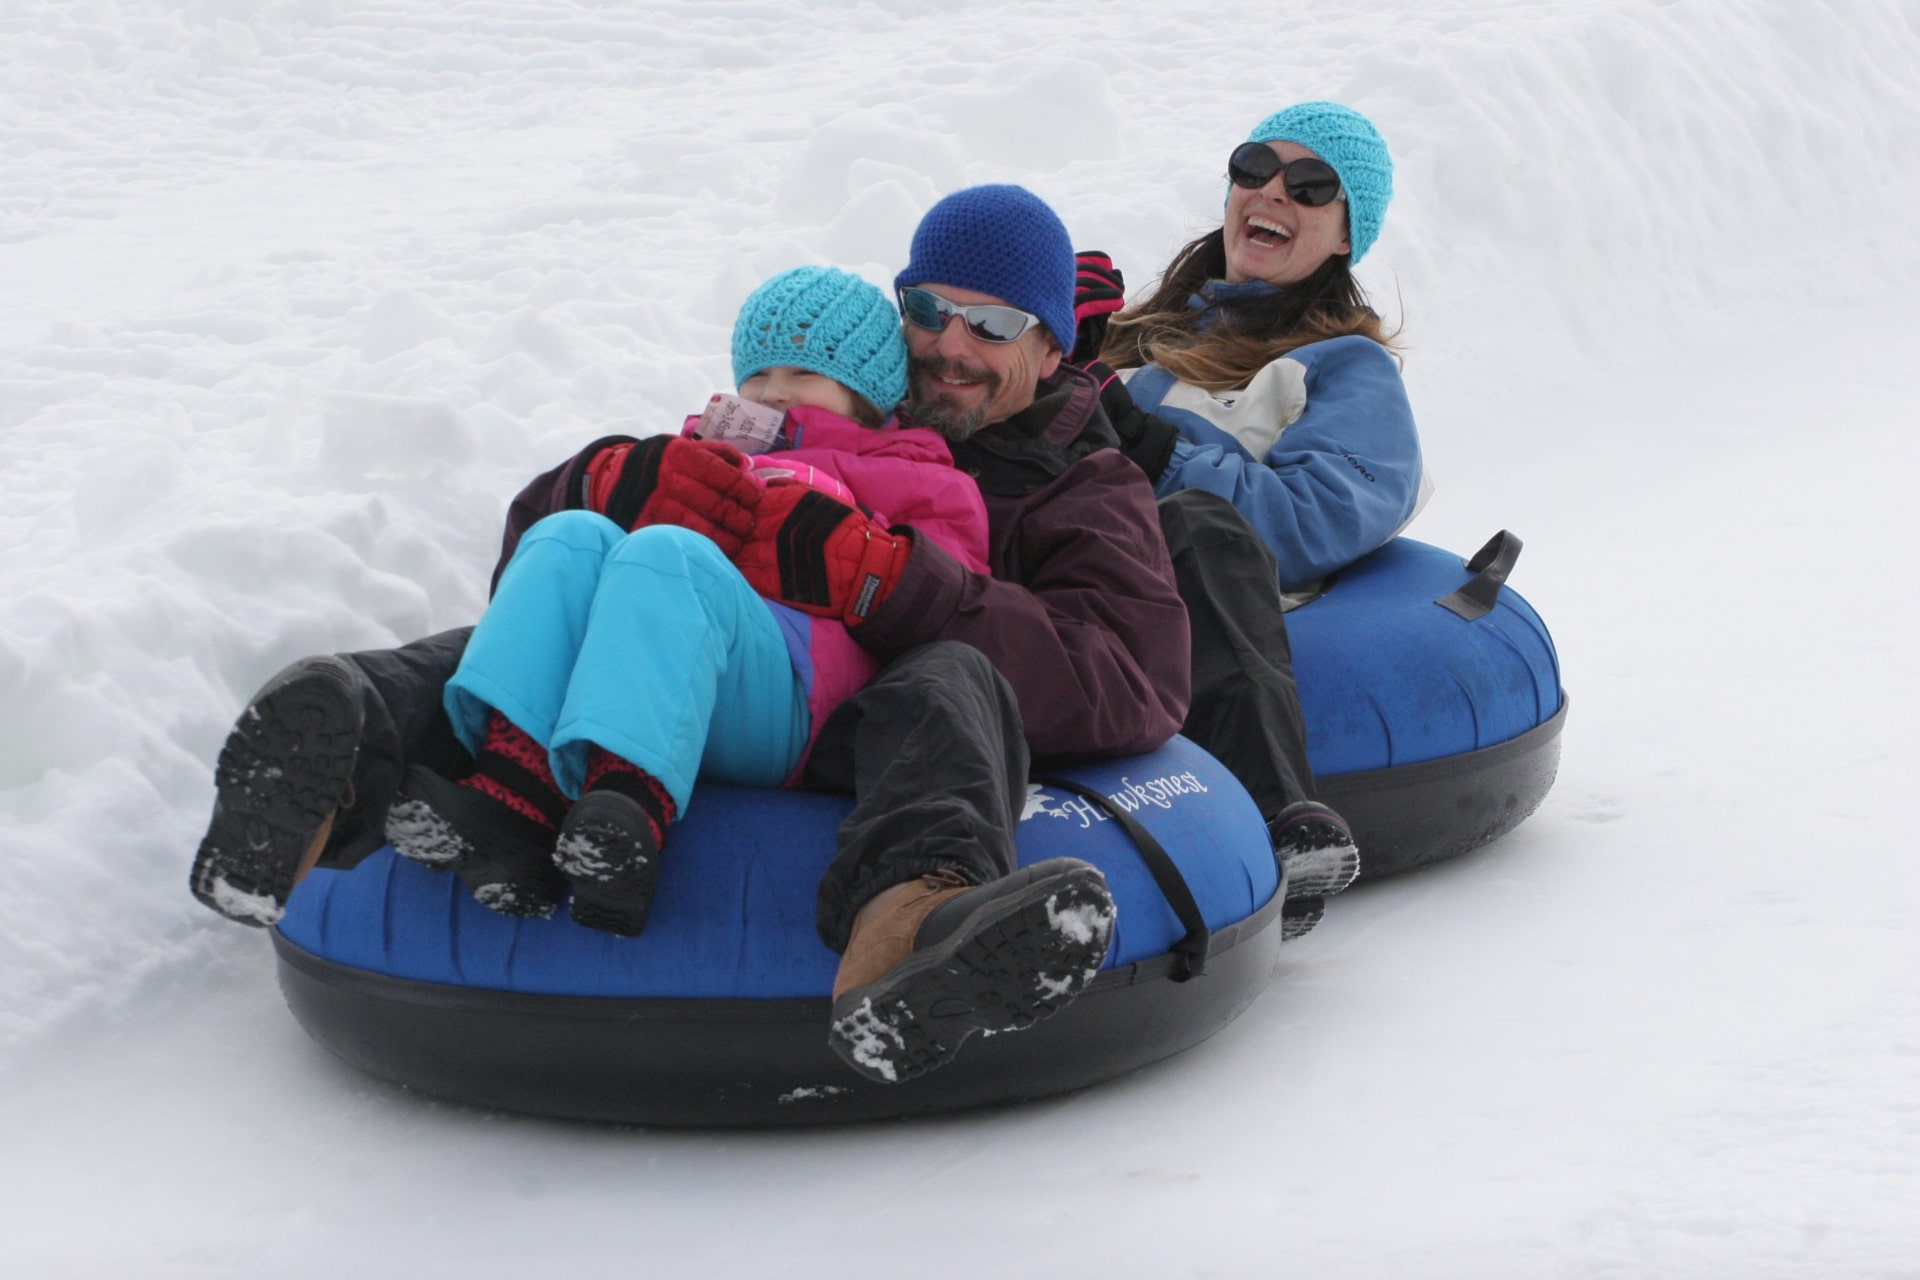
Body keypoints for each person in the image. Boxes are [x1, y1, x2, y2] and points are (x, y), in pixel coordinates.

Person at [189, 185, 1191, 1085]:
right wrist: (603, 483)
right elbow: (570, 578)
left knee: (951, 674)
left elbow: (1133, 678)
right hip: (721, 675)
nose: (950, 346)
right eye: (928, 312)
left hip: (872, 726)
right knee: (534, 621)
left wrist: (890, 580)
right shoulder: (805, 417)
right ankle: (331, 778)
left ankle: (915, 932)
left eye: (992, 323)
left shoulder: (1084, 487)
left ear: (1052, 346)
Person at [378, 265, 995, 936]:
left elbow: (952, 602)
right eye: (756, 377)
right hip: (670, 673)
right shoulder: (698, 448)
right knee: (570, 537)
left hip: (798, 700)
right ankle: (512, 786)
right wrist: (624, 481)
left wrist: (863, 556)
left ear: (870, 393)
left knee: (668, 554)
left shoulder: (919, 476)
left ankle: (626, 812)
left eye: (803, 375)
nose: (775, 393)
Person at [1069, 101, 1427, 931]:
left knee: (1198, 520)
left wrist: (1154, 446)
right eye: (1252, 167)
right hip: (1061, 567)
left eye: (1309, 185)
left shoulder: (1346, 369)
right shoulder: (1140, 336)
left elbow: (1311, 520)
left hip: (1185, 589)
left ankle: (1275, 820)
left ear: (1345, 234)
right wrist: (1055, 353)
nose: (1272, 191)